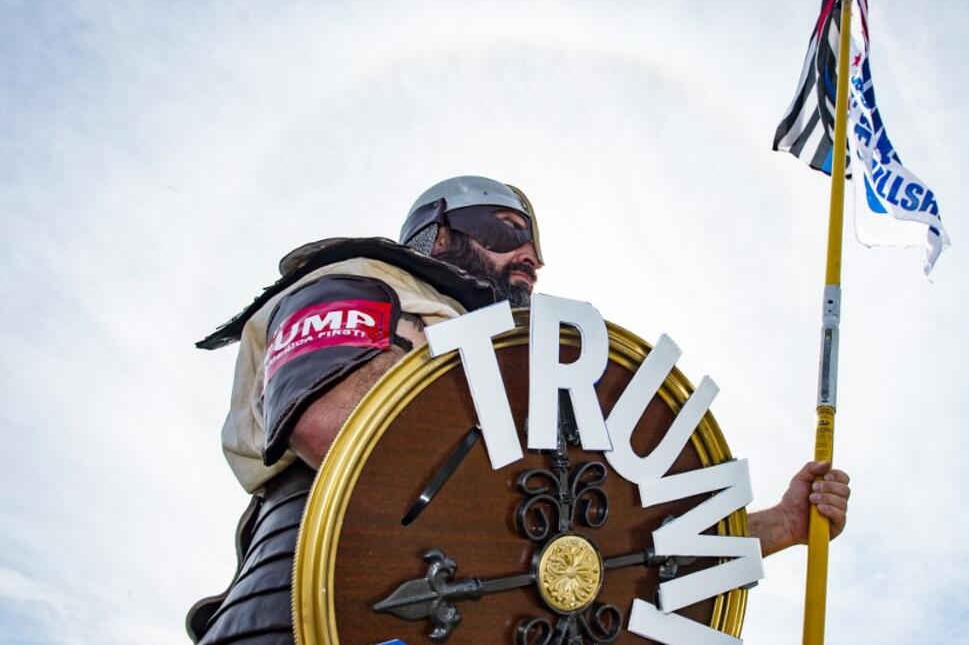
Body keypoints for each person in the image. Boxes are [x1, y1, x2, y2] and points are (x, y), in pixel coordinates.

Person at [187, 176, 851, 643]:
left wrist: (782, 524)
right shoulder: (363, 279)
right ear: (440, 231)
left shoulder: (522, 368)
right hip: (304, 616)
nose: (532, 256)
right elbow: (338, 421)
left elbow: (616, 548)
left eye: (531, 243)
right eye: (507, 232)